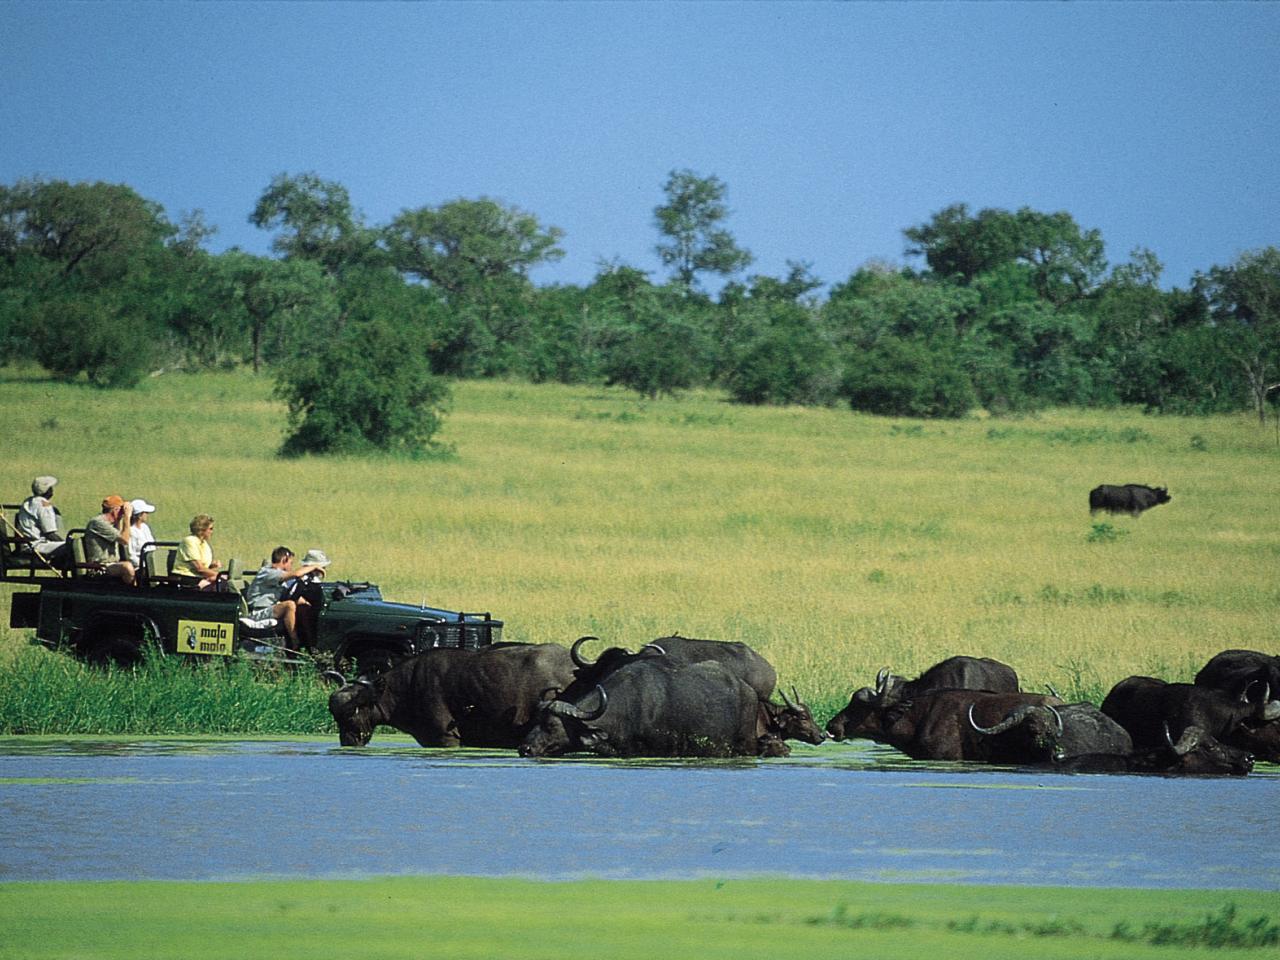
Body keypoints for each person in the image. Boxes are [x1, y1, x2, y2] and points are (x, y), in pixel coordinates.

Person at [243, 546, 330, 651]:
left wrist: (307, 604)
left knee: (301, 606)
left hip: (270, 609)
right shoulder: (268, 572)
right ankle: (295, 642)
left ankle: (309, 644)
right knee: (289, 605)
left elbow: (291, 592)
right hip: (258, 611)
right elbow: (296, 574)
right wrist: (314, 567)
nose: (291, 566)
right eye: (291, 563)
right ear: (284, 560)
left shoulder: (280, 576)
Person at [15, 475, 70, 570]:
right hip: (37, 545)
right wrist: (68, 544)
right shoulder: (44, 505)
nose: (52, 490)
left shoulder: (28, 502)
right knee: (74, 548)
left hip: (27, 544)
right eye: (50, 488)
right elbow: (50, 533)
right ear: (47, 490)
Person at [83, 495, 135, 585]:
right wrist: (127, 517)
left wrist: (119, 520)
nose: (122, 513)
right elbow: (124, 540)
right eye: (121, 510)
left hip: (112, 564)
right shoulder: (98, 523)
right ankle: (131, 595)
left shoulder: (112, 524)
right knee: (127, 567)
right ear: (115, 510)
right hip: (99, 567)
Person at [172, 514, 221, 590]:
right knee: (219, 583)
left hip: (199, 576)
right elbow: (199, 568)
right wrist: (218, 575)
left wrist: (212, 565)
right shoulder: (189, 541)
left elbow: (203, 566)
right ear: (202, 529)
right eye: (210, 529)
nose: (212, 532)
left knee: (223, 582)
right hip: (185, 577)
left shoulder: (204, 543)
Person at [125, 498, 157, 569]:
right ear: (139, 515)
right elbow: (130, 555)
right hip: (140, 567)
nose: (147, 514)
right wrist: (145, 565)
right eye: (145, 512)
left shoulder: (145, 527)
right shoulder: (130, 531)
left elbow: (152, 546)